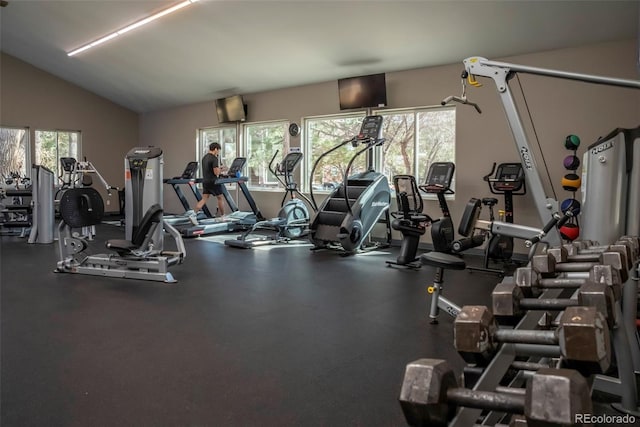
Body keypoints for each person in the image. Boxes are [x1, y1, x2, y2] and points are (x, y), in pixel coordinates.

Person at [187, 142, 226, 225]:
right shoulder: (214, 158)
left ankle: (193, 214)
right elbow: (216, 172)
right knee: (220, 198)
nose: (218, 152)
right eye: (218, 150)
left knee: (204, 199)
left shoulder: (204, 158)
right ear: (215, 149)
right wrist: (222, 169)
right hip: (214, 181)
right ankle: (222, 216)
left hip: (206, 181)